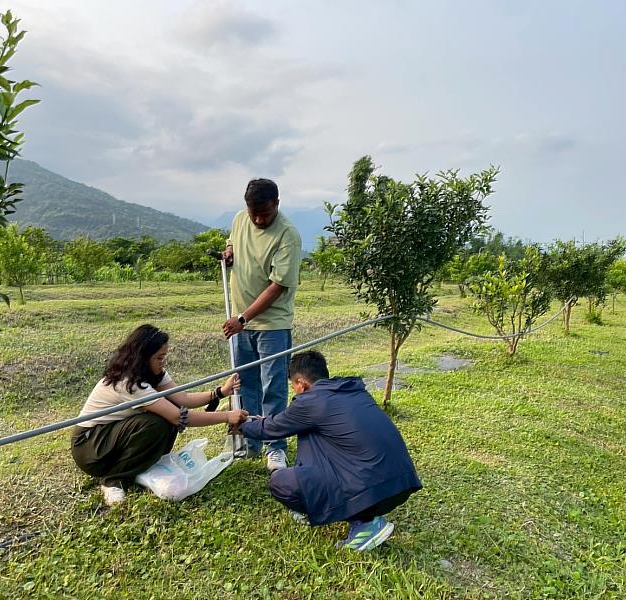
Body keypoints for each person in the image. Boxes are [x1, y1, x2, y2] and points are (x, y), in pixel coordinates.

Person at [240, 350, 422, 551]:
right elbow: (282, 422)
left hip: (373, 490)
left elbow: (271, 429)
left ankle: (365, 525)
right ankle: (364, 516)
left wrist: (241, 426)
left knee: (281, 483)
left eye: (293, 386)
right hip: (400, 484)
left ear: (301, 383)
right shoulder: (352, 390)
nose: (295, 391)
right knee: (310, 435)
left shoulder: (310, 402)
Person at [71, 324, 247, 507]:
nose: (163, 362)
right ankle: (113, 480)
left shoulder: (154, 373)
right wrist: (226, 416)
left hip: (112, 436)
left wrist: (220, 392)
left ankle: (139, 466)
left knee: (164, 418)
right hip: (90, 445)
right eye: (159, 358)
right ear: (143, 358)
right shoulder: (128, 383)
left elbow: (183, 398)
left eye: (164, 356)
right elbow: (180, 417)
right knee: (158, 422)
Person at [221, 178, 302, 472]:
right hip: (242, 324)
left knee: (274, 387)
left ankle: (275, 447)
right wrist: (229, 252)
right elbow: (233, 240)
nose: (257, 219)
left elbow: (277, 286)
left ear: (277, 204)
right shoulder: (240, 219)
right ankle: (249, 440)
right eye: (253, 212)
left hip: (272, 325)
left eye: (265, 214)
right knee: (246, 384)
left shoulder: (288, 235)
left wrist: (243, 318)